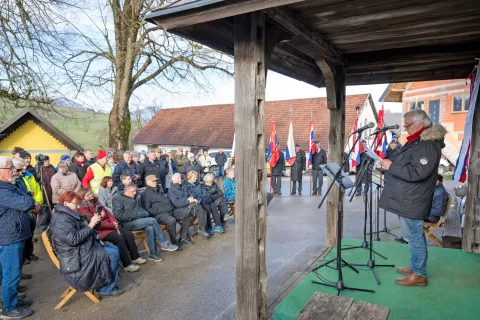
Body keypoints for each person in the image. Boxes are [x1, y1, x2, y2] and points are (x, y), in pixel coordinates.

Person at [380, 109, 446, 287]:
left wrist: (392, 166)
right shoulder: (419, 140)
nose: (405, 128)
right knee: (411, 235)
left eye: (407, 124)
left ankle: (419, 274)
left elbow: (419, 172)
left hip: (413, 199)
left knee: (415, 236)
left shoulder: (428, 143)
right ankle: (415, 267)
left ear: (420, 124)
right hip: (409, 198)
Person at [51, 191, 123, 298]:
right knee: (113, 253)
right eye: (75, 203)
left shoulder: (68, 214)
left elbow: (85, 226)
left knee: (113, 248)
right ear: (65, 203)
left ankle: (105, 283)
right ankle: (106, 289)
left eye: (78, 204)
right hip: (75, 257)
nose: (77, 207)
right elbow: (73, 240)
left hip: (81, 249)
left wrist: (96, 220)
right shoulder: (62, 219)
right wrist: (91, 224)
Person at [76, 188, 145, 272]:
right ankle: (127, 264)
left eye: (90, 193)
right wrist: (112, 225)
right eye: (87, 195)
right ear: (82, 198)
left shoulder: (96, 201)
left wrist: (115, 222)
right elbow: (96, 225)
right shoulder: (83, 208)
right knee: (119, 238)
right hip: (100, 231)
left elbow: (108, 213)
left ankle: (135, 257)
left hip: (111, 225)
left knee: (128, 234)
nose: (91, 195)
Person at [0, 156, 35, 318]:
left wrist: (28, 197)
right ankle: (9, 308)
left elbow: (26, 196)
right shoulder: (2, 191)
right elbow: (27, 202)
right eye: (10, 168)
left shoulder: (9, 186)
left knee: (11, 273)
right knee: (11, 274)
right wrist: (29, 198)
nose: (14, 171)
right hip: (9, 238)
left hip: (14, 235)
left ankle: (11, 301)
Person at [112, 183, 178, 262]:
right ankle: (163, 243)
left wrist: (144, 214)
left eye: (135, 191)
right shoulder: (117, 198)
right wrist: (139, 215)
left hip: (140, 220)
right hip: (127, 223)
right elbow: (119, 216)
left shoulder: (135, 196)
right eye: (133, 191)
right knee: (152, 220)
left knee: (150, 228)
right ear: (126, 191)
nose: (135, 193)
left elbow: (142, 208)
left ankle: (152, 254)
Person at [140, 175, 189, 248]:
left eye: (155, 180)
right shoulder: (145, 194)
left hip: (169, 211)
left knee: (186, 213)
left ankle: (182, 237)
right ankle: (174, 242)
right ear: (147, 182)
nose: (155, 182)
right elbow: (147, 209)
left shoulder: (159, 189)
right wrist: (159, 211)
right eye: (153, 181)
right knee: (171, 220)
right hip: (159, 215)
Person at [168, 173, 210, 239]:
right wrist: (189, 201)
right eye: (178, 178)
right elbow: (177, 203)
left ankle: (202, 229)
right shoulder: (171, 190)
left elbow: (188, 195)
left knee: (202, 209)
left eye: (181, 178)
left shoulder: (181, 187)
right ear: (173, 180)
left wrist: (192, 198)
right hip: (178, 211)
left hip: (186, 208)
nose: (180, 180)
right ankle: (202, 229)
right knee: (199, 208)